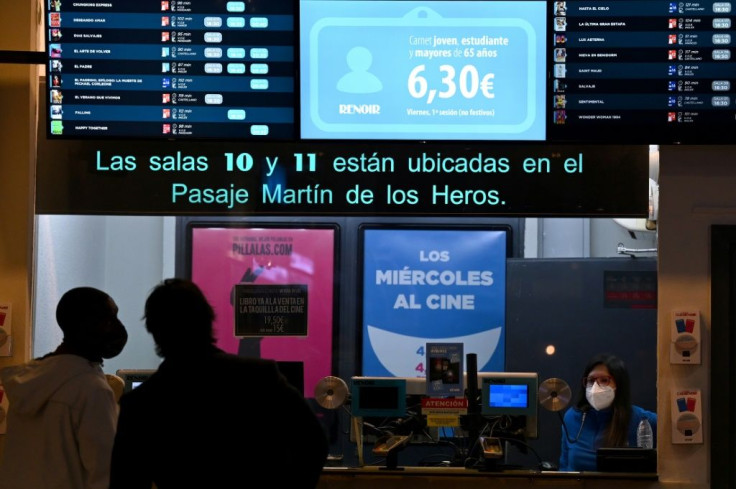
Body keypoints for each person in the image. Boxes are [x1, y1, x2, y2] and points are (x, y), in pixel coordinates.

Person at [109, 278, 329, 489]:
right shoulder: (259, 377)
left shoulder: (139, 404)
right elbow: (313, 443)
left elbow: (127, 482)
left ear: (154, 331)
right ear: (208, 320)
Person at [0, 286, 128, 489]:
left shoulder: (29, 382)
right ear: (87, 325)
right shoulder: (91, 389)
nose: (117, 327)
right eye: (109, 319)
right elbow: (107, 475)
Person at [558, 353, 657, 471]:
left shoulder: (641, 419)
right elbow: (564, 467)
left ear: (619, 384)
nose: (595, 387)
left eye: (604, 380)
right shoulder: (572, 417)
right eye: (591, 380)